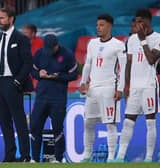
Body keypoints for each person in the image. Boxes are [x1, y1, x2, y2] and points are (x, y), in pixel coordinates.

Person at [79, 13, 126, 162]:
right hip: (93, 88)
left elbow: (123, 69)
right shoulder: (92, 43)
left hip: (109, 88)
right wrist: (83, 82)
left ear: (110, 26)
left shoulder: (118, 45)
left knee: (110, 123)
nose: (98, 28)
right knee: (88, 122)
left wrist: (120, 89)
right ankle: (87, 155)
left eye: (101, 25)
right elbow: (88, 64)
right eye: (97, 25)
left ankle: (111, 157)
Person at [116, 8, 160, 162]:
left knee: (150, 122)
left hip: (149, 86)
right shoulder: (132, 40)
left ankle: (148, 158)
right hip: (134, 87)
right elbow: (128, 63)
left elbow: (151, 60)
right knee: (128, 122)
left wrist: (143, 40)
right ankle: (120, 157)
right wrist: (127, 86)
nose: (138, 24)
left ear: (149, 21)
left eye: (141, 21)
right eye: (136, 21)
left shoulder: (157, 38)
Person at [0, 6, 33, 162]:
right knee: (4, 122)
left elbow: (28, 63)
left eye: (2, 18)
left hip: (12, 82)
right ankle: (9, 156)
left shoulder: (20, 38)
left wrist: (17, 81)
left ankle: (24, 156)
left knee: (19, 121)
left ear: (11, 19)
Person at [30, 34, 78, 162]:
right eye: (47, 48)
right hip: (41, 96)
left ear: (57, 45)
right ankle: (34, 159)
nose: (49, 51)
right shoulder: (40, 53)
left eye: (51, 49)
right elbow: (32, 71)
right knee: (35, 126)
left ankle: (58, 158)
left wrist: (59, 76)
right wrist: (39, 74)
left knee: (57, 128)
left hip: (58, 98)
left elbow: (74, 74)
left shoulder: (67, 54)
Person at [22, 24, 44, 89]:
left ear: (33, 33)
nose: (23, 35)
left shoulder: (40, 42)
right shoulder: (20, 42)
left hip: (37, 69)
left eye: (26, 33)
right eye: (23, 33)